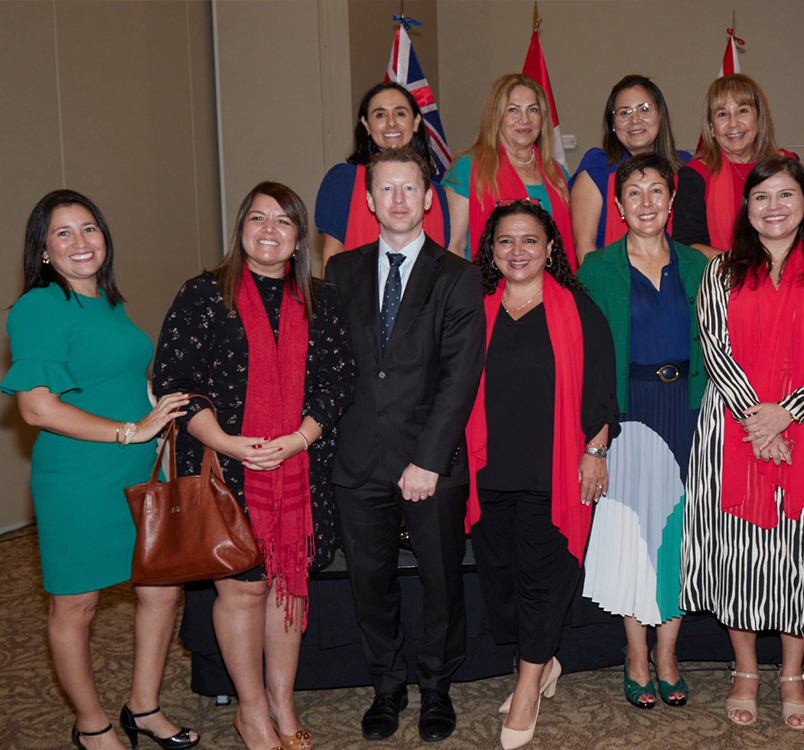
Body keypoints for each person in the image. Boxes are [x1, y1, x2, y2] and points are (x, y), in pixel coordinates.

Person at [154, 182, 356, 750]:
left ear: (298, 239)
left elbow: (339, 381)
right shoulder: (202, 295)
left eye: (284, 221)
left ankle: (282, 704)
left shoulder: (322, 299)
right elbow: (175, 382)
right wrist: (228, 441)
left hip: (300, 463)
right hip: (224, 466)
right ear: (241, 227)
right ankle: (252, 712)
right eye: (258, 218)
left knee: (288, 585)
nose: (270, 230)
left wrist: (298, 438)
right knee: (243, 591)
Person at [3, 190, 197, 750]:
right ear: (43, 250)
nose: (80, 242)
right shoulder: (37, 307)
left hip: (141, 472)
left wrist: (158, 419)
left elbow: (123, 379)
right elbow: (38, 407)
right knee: (76, 603)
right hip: (78, 480)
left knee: (162, 590)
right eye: (63, 232)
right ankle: (92, 727)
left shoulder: (109, 303)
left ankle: (143, 707)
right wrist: (129, 431)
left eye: (89, 228)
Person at [679, 156, 804, 730]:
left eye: (786, 195)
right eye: (761, 197)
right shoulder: (722, 273)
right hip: (732, 431)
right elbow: (716, 349)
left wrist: (784, 414)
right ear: (747, 209)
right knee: (737, 552)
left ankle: (790, 673)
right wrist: (758, 422)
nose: (774, 207)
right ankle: (745, 670)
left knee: (800, 553)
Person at [324, 147, 485, 744]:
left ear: (427, 198)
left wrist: (428, 459)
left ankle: (437, 689)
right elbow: (333, 367)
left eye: (408, 188)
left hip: (430, 463)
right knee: (371, 584)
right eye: (385, 189)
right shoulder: (340, 271)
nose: (397, 199)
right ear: (368, 201)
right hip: (358, 459)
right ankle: (387, 687)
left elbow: (460, 376)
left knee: (441, 581)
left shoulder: (458, 275)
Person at [464, 200, 619, 749]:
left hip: (554, 472)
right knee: (500, 585)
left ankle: (528, 688)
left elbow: (601, 390)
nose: (518, 251)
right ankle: (544, 660)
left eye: (530, 240)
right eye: (505, 241)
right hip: (486, 472)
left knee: (540, 583)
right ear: (491, 250)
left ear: (551, 249)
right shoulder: (474, 311)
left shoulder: (578, 310)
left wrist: (595, 452)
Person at [577, 154, 707, 709]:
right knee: (632, 538)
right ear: (619, 205)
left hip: (687, 410)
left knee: (678, 536)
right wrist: (597, 439)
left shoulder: (701, 267)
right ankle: (635, 654)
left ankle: (668, 655)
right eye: (635, 192)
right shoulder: (597, 269)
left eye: (657, 191)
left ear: (672, 201)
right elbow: (587, 362)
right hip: (627, 414)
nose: (647, 202)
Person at [315, 82, 453, 271]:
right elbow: (331, 260)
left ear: (416, 122)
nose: (391, 122)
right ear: (366, 125)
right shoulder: (344, 180)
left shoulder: (436, 192)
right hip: (356, 299)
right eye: (380, 115)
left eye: (400, 113)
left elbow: (444, 264)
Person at [444, 74, 573, 263]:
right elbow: (454, 246)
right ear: (496, 116)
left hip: (551, 287)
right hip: (484, 287)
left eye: (533, 110)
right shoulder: (467, 168)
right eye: (513, 110)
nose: (524, 119)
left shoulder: (557, 174)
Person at [569, 75, 688, 265]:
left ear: (660, 115)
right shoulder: (596, 168)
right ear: (613, 124)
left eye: (644, 109)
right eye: (624, 113)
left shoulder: (685, 168)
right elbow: (583, 245)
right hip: (608, 285)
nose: (635, 120)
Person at [673, 74, 794, 258]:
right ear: (712, 128)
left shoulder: (786, 165)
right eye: (722, 114)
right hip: (723, 278)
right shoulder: (695, 174)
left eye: (742, 111)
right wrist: (741, 268)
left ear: (759, 118)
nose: (733, 123)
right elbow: (686, 245)